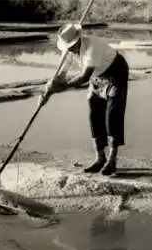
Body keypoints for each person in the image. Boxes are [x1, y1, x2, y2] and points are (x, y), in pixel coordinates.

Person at [39, 22, 129, 176]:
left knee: (112, 116)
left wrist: (62, 88)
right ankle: (100, 158)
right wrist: (48, 91)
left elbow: (84, 77)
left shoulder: (92, 47)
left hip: (115, 73)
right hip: (97, 76)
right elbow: (59, 76)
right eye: (68, 47)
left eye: (73, 46)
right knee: (94, 114)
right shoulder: (67, 52)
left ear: (79, 40)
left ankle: (112, 161)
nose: (71, 49)